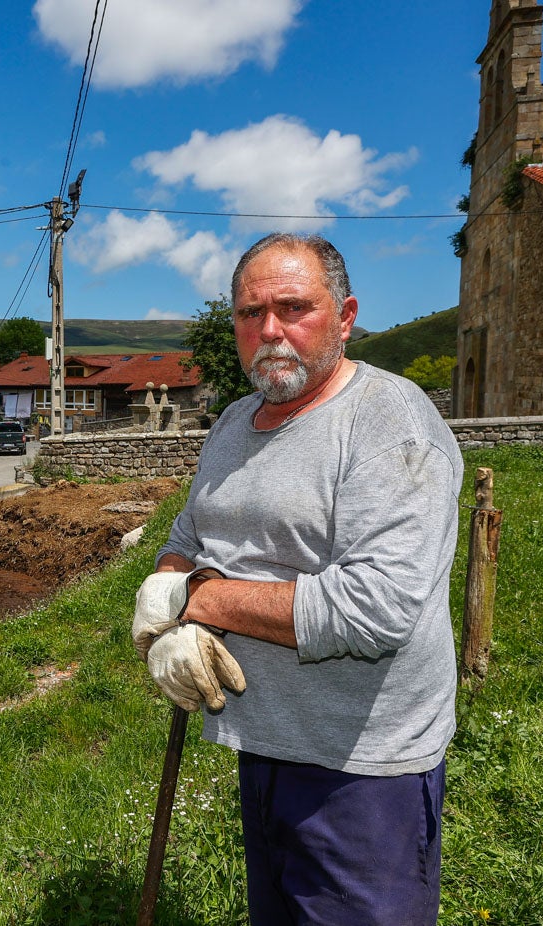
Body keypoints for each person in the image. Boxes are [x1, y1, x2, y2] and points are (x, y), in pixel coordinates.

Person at [133, 232, 463, 925]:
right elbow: (189, 535)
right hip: (263, 744)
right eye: (251, 313)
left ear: (343, 317)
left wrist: (195, 598)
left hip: (361, 765)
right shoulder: (232, 422)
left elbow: (373, 611)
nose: (270, 330)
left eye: (293, 307)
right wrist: (167, 606)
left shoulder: (389, 423)